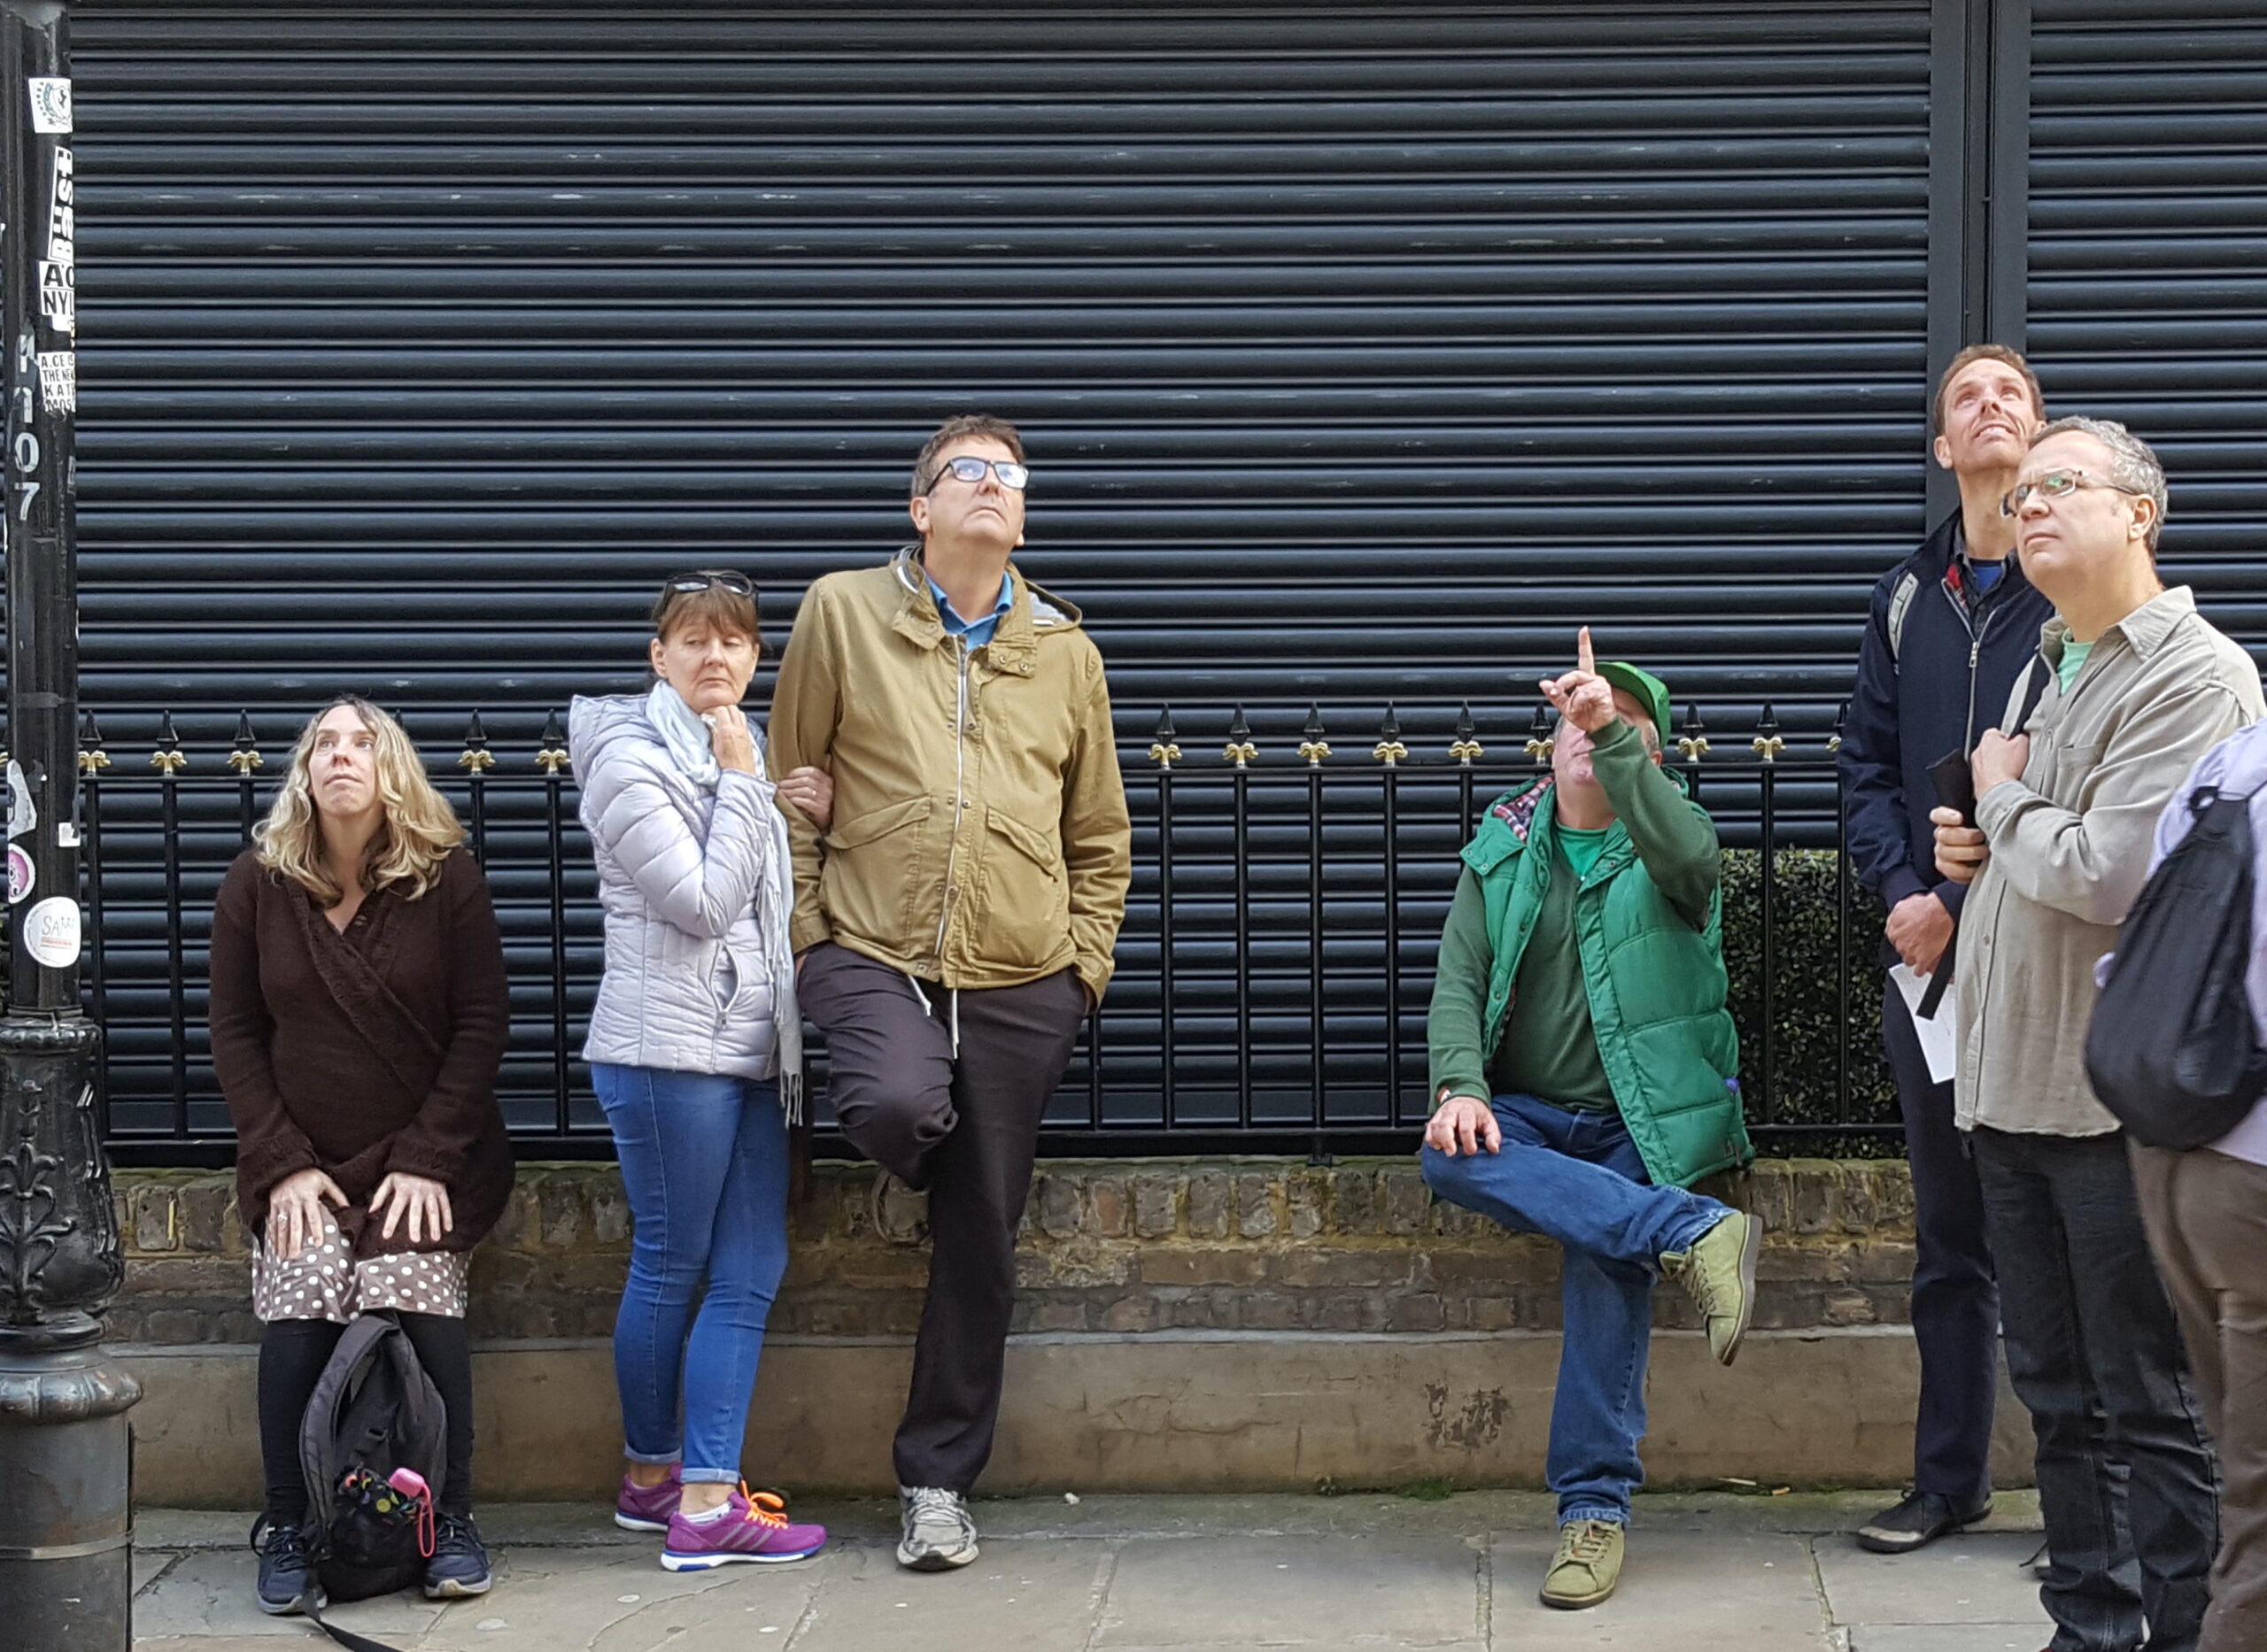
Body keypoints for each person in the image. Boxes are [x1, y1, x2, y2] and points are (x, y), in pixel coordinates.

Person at [770, 413, 1132, 1571]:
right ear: (921, 508)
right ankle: (921, 1143)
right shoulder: (842, 613)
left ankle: (935, 1482)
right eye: (967, 472)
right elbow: (792, 787)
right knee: (889, 1107)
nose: (993, 486)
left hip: (1025, 977)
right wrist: (810, 930)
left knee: (981, 1237)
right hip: (872, 946)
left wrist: (1084, 964)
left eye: (1010, 476)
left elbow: (1100, 834)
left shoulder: (1068, 650)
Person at [1934, 416, 2262, 1652]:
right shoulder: (2048, 663)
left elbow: (2115, 869)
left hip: (2112, 1100)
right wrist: (1975, 842)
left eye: (2058, 485)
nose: (2028, 506)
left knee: (2152, 1403)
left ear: (2140, 513)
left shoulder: (2193, 672)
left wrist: (2003, 791)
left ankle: (2187, 1630)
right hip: (2010, 1085)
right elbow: (2038, 856)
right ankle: (2089, 1625)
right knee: (2058, 1398)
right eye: (2018, 495)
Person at [1421, 629, 1761, 1612]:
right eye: (1571, 713)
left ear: (1642, 756)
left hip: (1638, 1118)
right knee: (1450, 1160)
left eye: (1612, 722)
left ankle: (1591, 1511)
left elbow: (1690, 853)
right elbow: (1459, 983)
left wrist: (1615, 733)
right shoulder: (1501, 849)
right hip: (1523, 1112)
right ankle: (1692, 1234)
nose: (1584, 723)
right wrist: (1461, 1088)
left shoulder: (1673, 850)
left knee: (1603, 1256)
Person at [210, 697, 513, 1613]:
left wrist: (425, 1156)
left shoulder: (444, 880)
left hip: (427, 1160)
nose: (342, 756)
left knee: (410, 1285)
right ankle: (291, 1529)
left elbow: (483, 1023)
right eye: (324, 744)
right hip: (304, 1161)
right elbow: (234, 1033)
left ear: (392, 772)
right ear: (305, 773)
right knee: (302, 1292)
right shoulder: (254, 887)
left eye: (362, 743)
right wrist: (279, 1161)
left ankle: (449, 1520)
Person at [569, 570, 832, 1571]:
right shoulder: (627, 759)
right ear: (658, 658)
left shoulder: (741, 750)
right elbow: (700, 903)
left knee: (752, 1264)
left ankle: (666, 1490)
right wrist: (748, 783)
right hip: (665, 1052)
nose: (716, 656)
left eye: (734, 642)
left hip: (754, 1048)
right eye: (693, 640)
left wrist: (790, 798)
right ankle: (692, 1496)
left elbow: (772, 883)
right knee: (675, 1264)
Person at [1838, 344, 2053, 1553]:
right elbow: (1864, 767)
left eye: (2010, 393)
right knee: (1949, 1237)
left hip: (2045, 960)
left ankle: (2093, 1495)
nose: (1989, 407)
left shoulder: (2071, 594)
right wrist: (1907, 895)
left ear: (2039, 435)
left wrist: (1964, 907)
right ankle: (1949, 1477)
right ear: (1942, 447)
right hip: (1926, 968)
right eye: (1967, 397)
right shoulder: (1909, 594)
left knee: (2069, 1227)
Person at [2127, 725, 2267, 1652]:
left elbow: (2135, 941)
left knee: (2243, 1478)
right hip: (2255, 1169)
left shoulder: (2234, 760)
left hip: (2179, 1153)